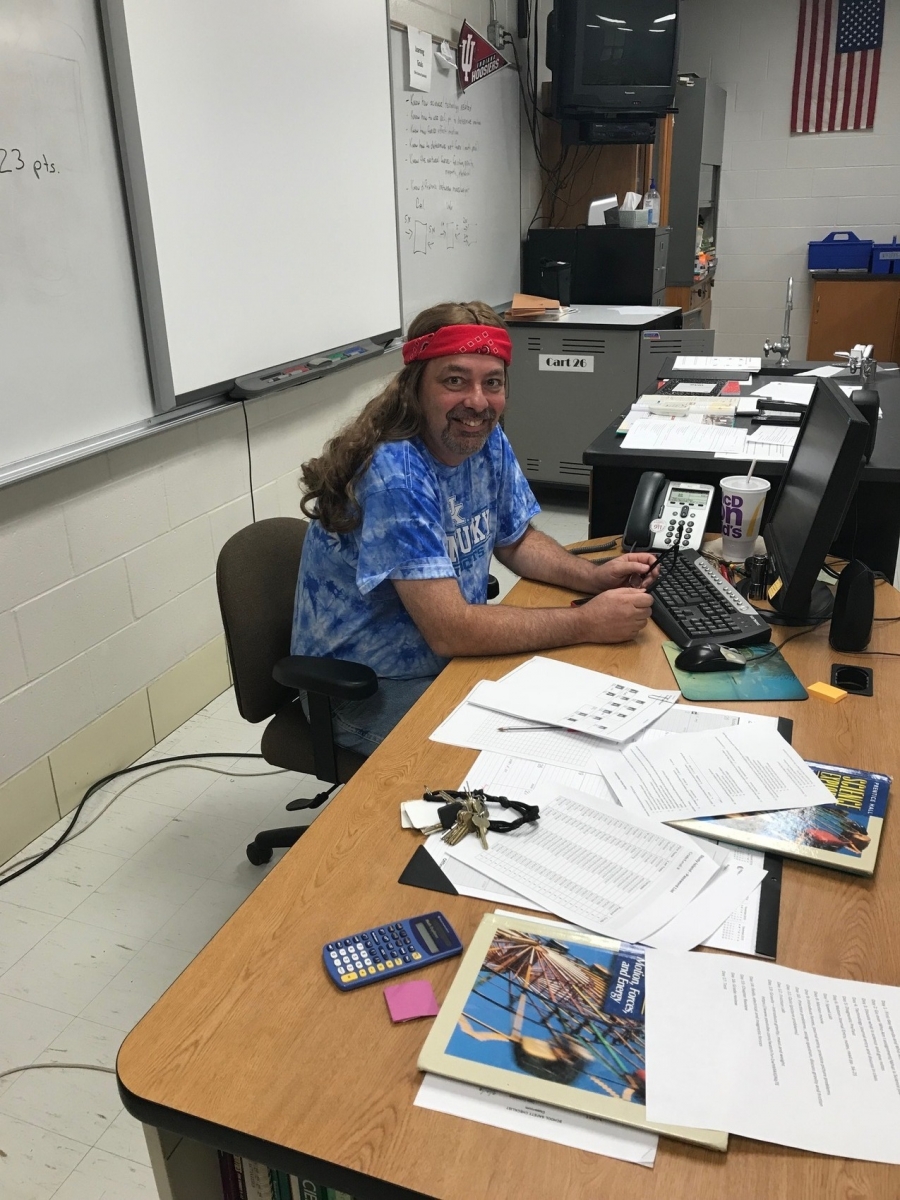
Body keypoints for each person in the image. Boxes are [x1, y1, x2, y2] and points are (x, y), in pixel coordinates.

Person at [292, 300, 657, 755]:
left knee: (587, 707)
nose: (478, 402)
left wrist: (594, 578)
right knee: (542, 751)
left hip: (444, 662)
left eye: (493, 383)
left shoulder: (483, 438)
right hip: (367, 690)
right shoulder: (395, 475)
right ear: (415, 387)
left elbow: (516, 538)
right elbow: (451, 629)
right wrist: (586, 620)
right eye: (454, 380)